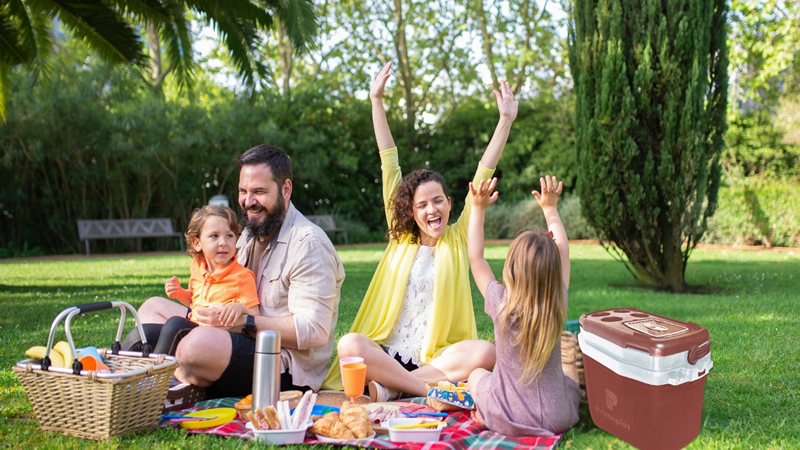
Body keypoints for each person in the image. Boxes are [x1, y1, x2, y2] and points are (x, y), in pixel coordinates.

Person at [321, 60, 517, 401]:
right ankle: (422, 390)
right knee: (350, 343)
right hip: (385, 352)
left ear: (450, 204)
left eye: (438, 201)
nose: (431, 209)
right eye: (422, 205)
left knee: (487, 351)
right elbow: (388, 160)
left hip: (435, 360)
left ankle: (393, 388)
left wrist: (505, 121)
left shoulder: (458, 239)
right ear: (410, 212)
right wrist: (376, 101)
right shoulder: (401, 237)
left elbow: (484, 172)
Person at [126, 144, 345, 399]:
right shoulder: (250, 234)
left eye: (259, 192)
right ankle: (134, 377)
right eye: (243, 191)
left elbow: (315, 331)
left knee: (193, 346)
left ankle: (165, 386)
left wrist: (246, 323)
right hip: (231, 332)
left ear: (286, 190)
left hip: (280, 365)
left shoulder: (308, 243)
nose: (248, 202)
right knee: (151, 309)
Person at [466, 175, 581, 436]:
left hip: (505, 415)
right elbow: (563, 252)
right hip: (556, 417)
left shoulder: (501, 303)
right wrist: (550, 209)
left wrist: (477, 209)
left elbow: (476, 258)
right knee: (570, 374)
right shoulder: (557, 301)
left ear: (511, 269)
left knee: (475, 375)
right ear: (552, 273)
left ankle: (484, 415)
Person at [138, 204, 261, 356]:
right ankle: (119, 368)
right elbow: (194, 300)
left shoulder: (242, 276)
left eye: (229, 235)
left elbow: (255, 314)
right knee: (146, 332)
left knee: (174, 325)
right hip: (195, 326)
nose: (223, 242)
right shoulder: (197, 267)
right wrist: (179, 293)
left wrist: (240, 308)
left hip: (218, 338)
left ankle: (155, 372)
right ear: (197, 243)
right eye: (214, 236)